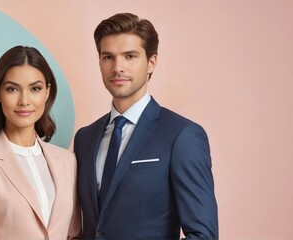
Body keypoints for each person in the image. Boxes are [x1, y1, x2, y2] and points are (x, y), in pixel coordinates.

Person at [74, 13, 218, 239]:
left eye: (130, 56)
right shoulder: (85, 138)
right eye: (108, 57)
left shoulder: (182, 135)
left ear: (151, 63)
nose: (117, 67)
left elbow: (203, 235)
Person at [0, 46, 81, 239]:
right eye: (12, 89)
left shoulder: (67, 160)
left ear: (47, 92)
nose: (24, 100)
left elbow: (74, 234)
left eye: (35, 89)